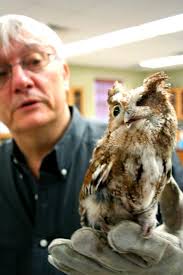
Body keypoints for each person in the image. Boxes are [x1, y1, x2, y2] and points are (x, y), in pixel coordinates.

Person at [0, 14, 182, 275]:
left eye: (34, 61)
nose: (20, 81)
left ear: (64, 74)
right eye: (0, 72)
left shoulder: (150, 149)